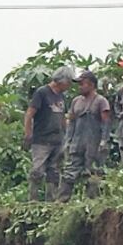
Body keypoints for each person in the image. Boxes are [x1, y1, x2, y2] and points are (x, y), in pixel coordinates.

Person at [58, 71, 111, 201]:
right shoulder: (76, 101)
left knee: (93, 176)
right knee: (68, 174)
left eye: (82, 83)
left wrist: (104, 141)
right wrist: (67, 141)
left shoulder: (101, 101)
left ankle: (91, 205)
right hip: (77, 143)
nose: (79, 86)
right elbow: (71, 122)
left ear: (91, 84)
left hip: (94, 144)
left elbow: (106, 122)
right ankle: (60, 203)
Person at [23, 67, 74, 201]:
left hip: (57, 140)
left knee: (54, 172)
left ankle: (50, 202)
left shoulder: (61, 96)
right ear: (61, 81)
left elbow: (63, 117)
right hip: (42, 139)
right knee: (37, 171)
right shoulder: (42, 93)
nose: (69, 86)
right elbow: (29, 114)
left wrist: (68, 135)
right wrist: (28, 133)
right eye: (68, 82)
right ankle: (32, 201)